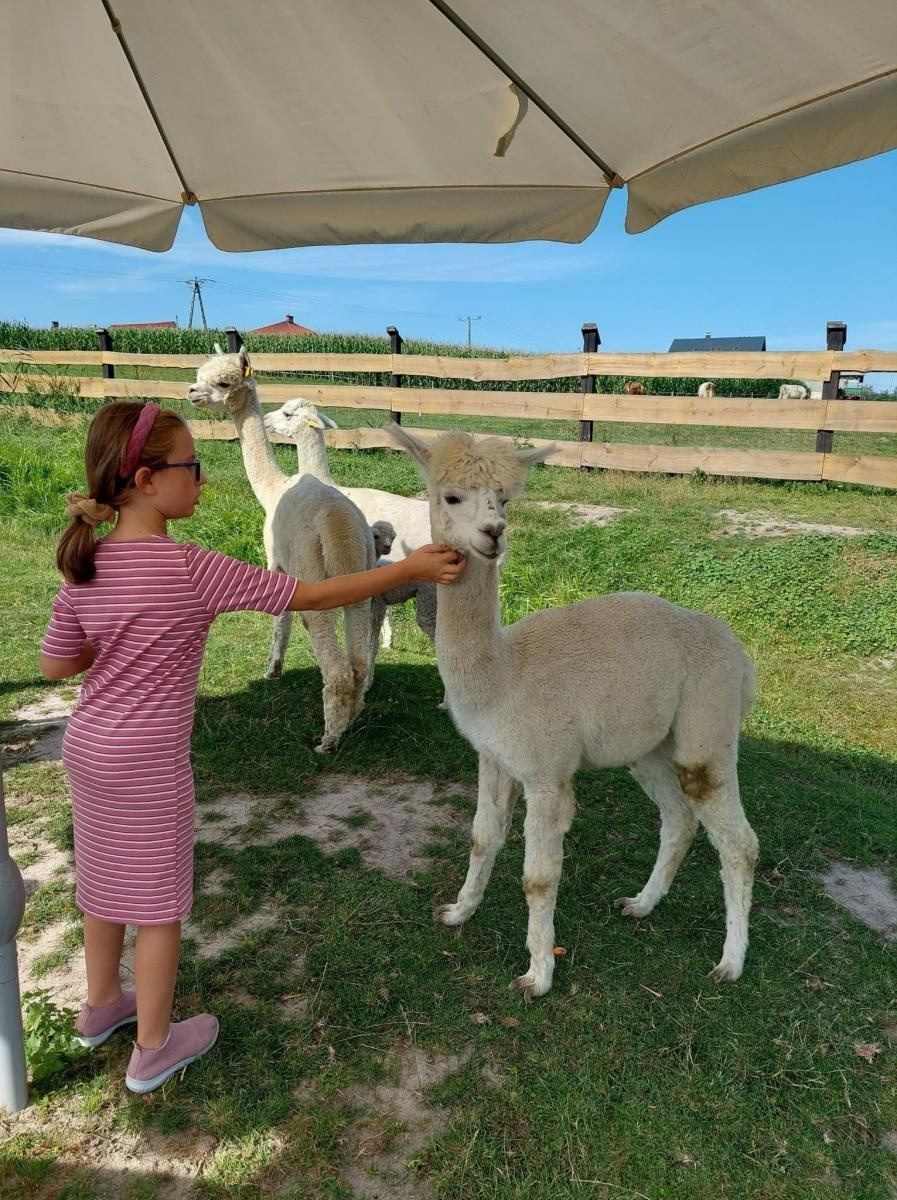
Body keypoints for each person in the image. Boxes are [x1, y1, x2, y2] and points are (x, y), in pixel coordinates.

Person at [39, 401, 465, 1094]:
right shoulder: (192, 568)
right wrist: (401, 568)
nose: (202, 481)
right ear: (147, 479)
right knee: (157, 906)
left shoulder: (87, 566)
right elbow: (314, 595)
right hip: (149, 763)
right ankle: (152, 1046)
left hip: (88, 751)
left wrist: (105, 633)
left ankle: (99, 1008)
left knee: (104, 886)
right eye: (192, 468)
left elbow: (59, 665)